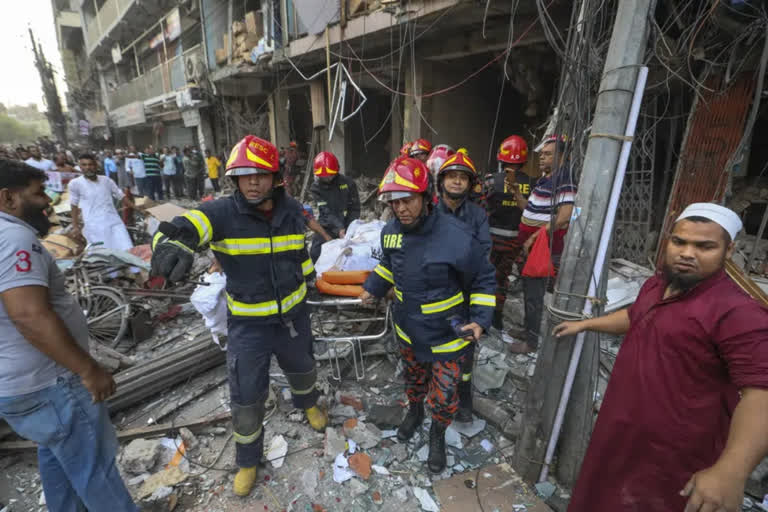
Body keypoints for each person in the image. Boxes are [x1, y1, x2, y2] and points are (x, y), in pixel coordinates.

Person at [555, 203, 768, 511]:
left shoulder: (737, 312)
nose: (687, 253)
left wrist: (731, 471)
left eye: (704, 246)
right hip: (621, 430)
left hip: (674, 454)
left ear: (729, 250)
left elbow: (760, 393)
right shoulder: (657, 284)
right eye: (679, 241)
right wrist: (586, 324)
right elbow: (636, 316)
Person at [150, 135, 328, 497]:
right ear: (233, 179)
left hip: (294, 317)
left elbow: (298, 251)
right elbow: (183, 226)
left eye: (260, 174)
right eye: (243, 175)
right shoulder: (220, 213)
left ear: (275, 177)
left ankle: (308, 404)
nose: (252, 181)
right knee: (247, 396)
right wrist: (171, 243)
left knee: (303, 368)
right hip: (249, 327)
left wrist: (311, 277)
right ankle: (248, 459)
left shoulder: (292, 210)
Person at [0, 159, 137, 511]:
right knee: (96, 470)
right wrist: (88, 369)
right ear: (8, 198)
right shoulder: (14, 238)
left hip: (19, 386)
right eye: (37, 193)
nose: (47, 200)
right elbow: (28, 314)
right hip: (51, 384)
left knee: (59, 456)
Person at [360, 156, 496, 473]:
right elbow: (389, 266)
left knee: (446, 392)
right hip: (408, 328)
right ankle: (415, 411)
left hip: (449, 332)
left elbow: (484, 277)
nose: (400, 209)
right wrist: (373, 287)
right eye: (394, 202)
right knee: (414, 380)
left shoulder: (457, 235)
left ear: (425, 196)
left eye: (407, 200)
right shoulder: (391, 231)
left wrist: (480, 319)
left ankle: (437, 433)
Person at [434, 150, 492, 423]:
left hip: (466, 294)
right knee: (435, 345)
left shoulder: (478, 216)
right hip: (435, 293)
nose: (457, 182)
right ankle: (436, 396)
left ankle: (464, 392)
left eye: (463, 178)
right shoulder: (429, 213)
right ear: (441, 181)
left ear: (470, 184)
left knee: (465, 348)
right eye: (452, 177)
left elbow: (482, 257)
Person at [509, 135, 576, 354]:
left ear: (562, 156)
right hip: (533, 248)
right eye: (542, 154)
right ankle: (530, 329)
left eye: (548, 154)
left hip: (543, 250)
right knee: (529, 291)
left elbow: (565, 216)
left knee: (535, 295)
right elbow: (530, 209)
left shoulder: (564, 178)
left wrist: (535, 236)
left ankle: (531, 342)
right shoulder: (544, 180)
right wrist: (517, 193)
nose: (541, 158)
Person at [484, 135, 533, 335]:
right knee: (502, 279)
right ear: (524, 160)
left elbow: (480, 206)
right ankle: (497, 317)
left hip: (492, 240)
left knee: (486, 277)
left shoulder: (490, 181)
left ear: (500, 158)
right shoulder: (532, 183)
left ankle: (482, 315)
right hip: (515, 241)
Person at [69, 154, 134, 251]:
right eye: (84, 165)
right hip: (94, 226)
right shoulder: (75, 183)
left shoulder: (106, 180)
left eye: (90, 164)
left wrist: (137, 208)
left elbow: (121, 196)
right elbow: (74, 205)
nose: (88, 167)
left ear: (96, 166)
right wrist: (75, 226)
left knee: (127, 249)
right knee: (103, 256)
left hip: (114, 222)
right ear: (80, 167)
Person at [309, 151, 361, 262]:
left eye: (330, 176)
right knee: (315, 252)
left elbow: (355, 208)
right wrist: (338, 228)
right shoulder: (316, 188)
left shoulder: (348, 183)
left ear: (336, 170)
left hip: (347, 224)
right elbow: (326, 211)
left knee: (353, 254)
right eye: (323, 177)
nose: (327, 178)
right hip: (327, 225)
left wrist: (349, 228)